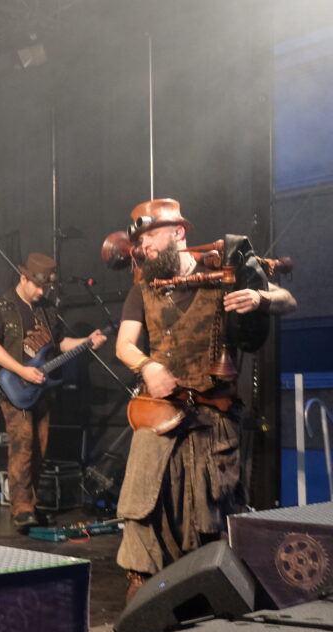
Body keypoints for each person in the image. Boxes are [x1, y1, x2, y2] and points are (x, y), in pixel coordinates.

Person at [114, 198, 296, 603]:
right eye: (140, 242)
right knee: (143, 499)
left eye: (150, 237)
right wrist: (147, 366)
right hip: (160, 412)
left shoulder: (224, 272)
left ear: (178, 232)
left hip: (213, 415)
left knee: (210, 509)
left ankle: (206, 591)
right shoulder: (143, 288)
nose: (143, 247)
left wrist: (260, 299)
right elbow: (124, 344)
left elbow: (288, 299)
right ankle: (143, 591)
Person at [0, 253, 107, 531]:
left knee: (40, 447)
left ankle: (31, 504)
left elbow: (59, 344)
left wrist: (87, 341)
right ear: (23, 277)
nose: (41, 292)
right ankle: (21, 508)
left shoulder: (47, 309)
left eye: (45, 288)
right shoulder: (1, 306)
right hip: (12, 386)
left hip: (40, 387)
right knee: (22, 444)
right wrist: (21, 370)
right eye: (37, 286)